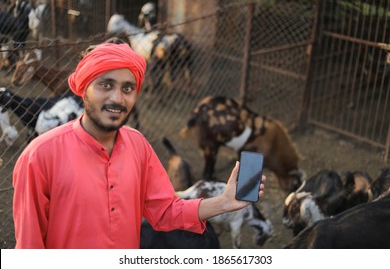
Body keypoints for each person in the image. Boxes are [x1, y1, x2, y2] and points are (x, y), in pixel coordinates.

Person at [12, 41, 266, 249]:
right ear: (84, 88)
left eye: (128, 88)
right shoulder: (39, 156)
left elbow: (166, 210)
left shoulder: (137, 145)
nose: (117, 98)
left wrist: (224, 202)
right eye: (105, 85)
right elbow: (29, 247)